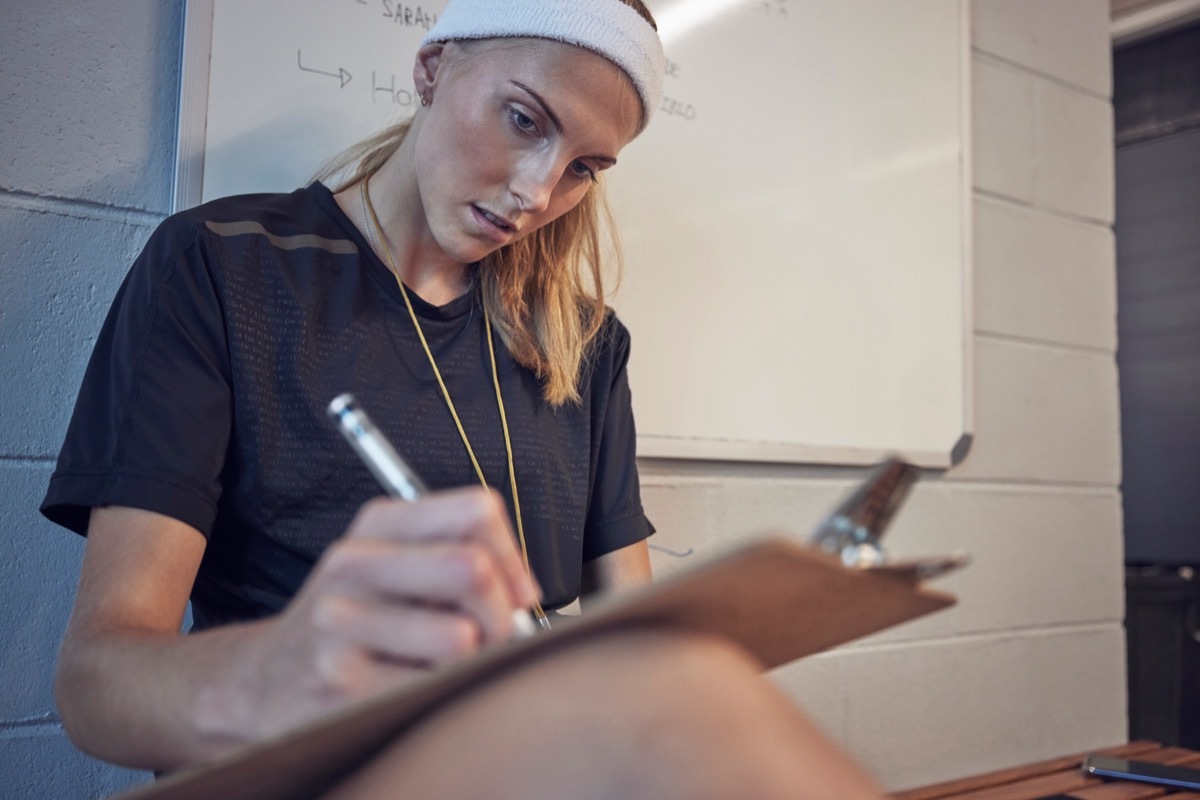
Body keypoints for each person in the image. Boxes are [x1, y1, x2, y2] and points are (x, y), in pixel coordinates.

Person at [40, 1, 888, 796]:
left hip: (535, 760)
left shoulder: (582, 343)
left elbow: (629, 636)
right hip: (312, 767)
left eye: (583, 169)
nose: (536, 194)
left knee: (684, 680)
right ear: (433, 67)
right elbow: (95, 684)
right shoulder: (224, 268)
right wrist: (279, 673)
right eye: (524, 120)